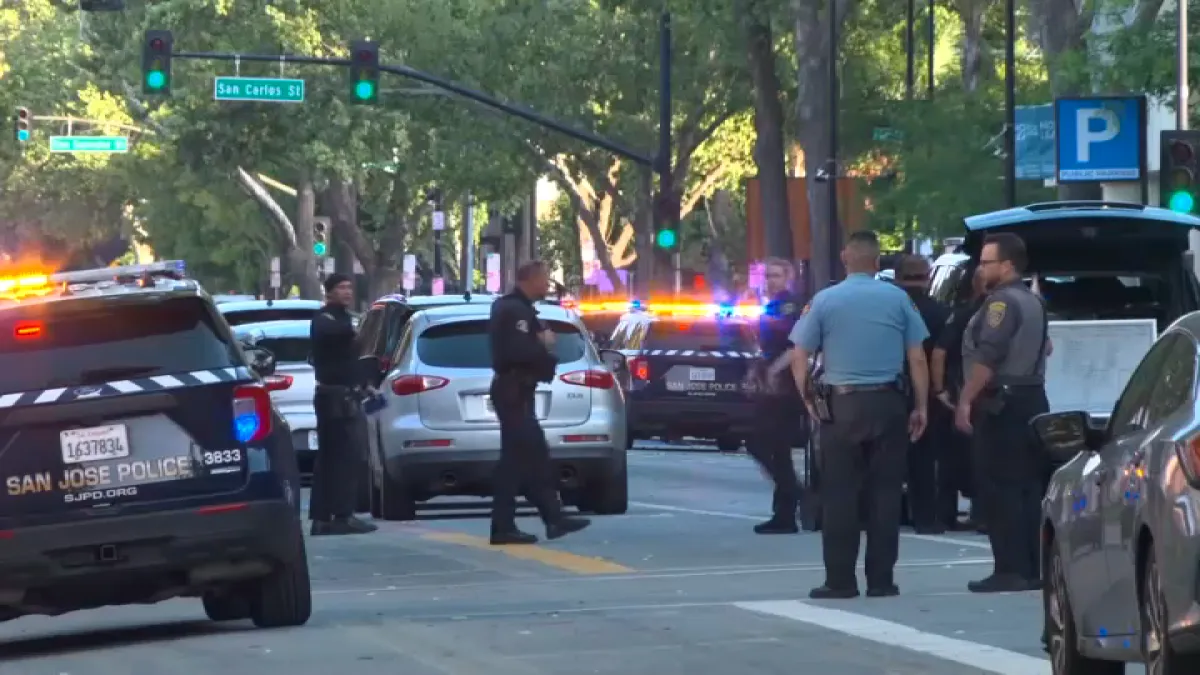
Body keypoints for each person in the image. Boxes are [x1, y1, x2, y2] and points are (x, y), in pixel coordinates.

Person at [790, 231, 930, 599]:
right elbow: (917, 356)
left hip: (842, 406)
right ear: (877, 261)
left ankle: (840, 580)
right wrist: (921, 406)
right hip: (888, 403)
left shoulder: (824, 300)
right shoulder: (899, 299)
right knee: (885, 495)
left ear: (844, 258)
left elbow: (798, 354)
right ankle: (881, 580)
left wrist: (808, 397)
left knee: (840, 494)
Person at [955, 232, 1049, 593]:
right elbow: (1048, 347)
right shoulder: (1034, 300)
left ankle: (1009, 568)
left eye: (986, 262)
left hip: (1002, 403)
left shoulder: (1001, 304)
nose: (980, 269)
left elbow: (989, 355)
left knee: (1000, 488)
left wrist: (965, 399)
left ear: (1007, 265)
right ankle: (1030, 567)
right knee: (1027, 487)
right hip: (1031, 397)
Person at [488, 261, 591, 545]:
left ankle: (550, 519)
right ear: (530, 279)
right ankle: (519, 524)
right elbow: (516, 351)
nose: (547, 285)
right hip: (513, 390)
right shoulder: (512, 310)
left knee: (529, 459)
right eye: (544, 279)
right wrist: (542, 343)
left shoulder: (519, 308)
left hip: (520, 390)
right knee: (523, 458)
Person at [309, 273, 377, 536]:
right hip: (334, 398)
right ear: (329, 292)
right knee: (340, 457)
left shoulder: (345, 319)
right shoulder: (325, 319)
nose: (347, 292)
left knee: (342, 457)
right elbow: (335, 336)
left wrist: (365, 384)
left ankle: (331, 515)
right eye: (341, 288)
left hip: (347, 394)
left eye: (350, 288)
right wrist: (359, 327)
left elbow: (350, 359)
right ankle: (338, 515)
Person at [894, 256, 952, 534]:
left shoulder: (889, 309)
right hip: (927, 389)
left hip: (888, 387)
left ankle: (886, 513)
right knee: (924, 457)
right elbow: (947, 353)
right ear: (928, 277)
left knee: (886, 456)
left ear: (897, 277)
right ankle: (926, 517)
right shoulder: (940, 312)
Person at [746, 257, 803, 535]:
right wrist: (757, 371)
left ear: (788, 278)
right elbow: (765, 347)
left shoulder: (789, 305)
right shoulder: (770, 305)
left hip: (786, 385)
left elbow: (796, 345)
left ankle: (792, 502)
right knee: (768, 447)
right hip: (770, 381)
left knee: (768, 444)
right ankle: (787, 507)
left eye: (776, 275)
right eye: (767, 275)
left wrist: (774, 371)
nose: (770, 280)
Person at [932, 268, 987, 532]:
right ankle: (983, 513)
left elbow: (940, 352)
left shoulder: (963, 314)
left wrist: (940, 389)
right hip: (992, 393)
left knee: (951, 458)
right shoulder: (1008, 312)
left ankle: (946, 513)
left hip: (961, 391)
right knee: (986, 457)